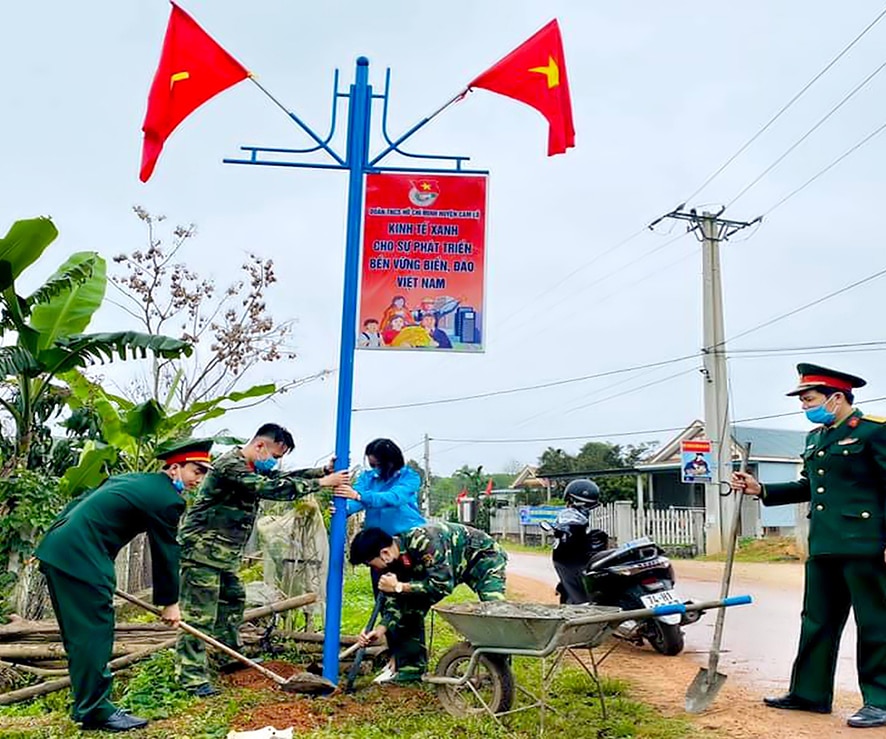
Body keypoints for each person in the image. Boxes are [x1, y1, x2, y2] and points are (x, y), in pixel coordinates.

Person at [731, 363, 886, 730]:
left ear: (836, 397)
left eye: (809, 399)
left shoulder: (874, 432)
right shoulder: (815, 439)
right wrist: (762, 489)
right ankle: (810, 693)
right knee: (816, 621)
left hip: (866, 546)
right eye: (802, 400)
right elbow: (810, 487)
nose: (804, 406)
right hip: (825, 546)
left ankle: (880, 700)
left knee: (875, 623)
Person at [35, 438, 213, 732]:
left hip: (59, 550)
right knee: (94, 635)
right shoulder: (168, 499)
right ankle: (96, 711)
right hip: (81, 558)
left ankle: (87, 706)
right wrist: (170, 603)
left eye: (204, 473)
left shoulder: (136, 480)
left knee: (80, 638)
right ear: (174, 468)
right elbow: (166, 550)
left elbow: (82, 502)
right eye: (196, 471)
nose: (199, 479)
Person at [175, 424, 348, 696]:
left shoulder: (252, 466)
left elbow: (283, 477)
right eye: (275, 456)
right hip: (202, 551)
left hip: (224, 553)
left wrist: (321, 472)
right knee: (199, 615)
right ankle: (191, 678)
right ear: (259, 446)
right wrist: (321, 484)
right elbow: (271, 488)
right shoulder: (230, 465)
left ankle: (227, 656)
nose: (276, 462)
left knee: (232, 601)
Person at [349, 522, 508, 684]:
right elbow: (396, 602)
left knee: (494, 611)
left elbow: (442, 585)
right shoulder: (394, 561)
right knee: (409, 610)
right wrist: (380, 630)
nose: (373, 568)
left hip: (482, 556)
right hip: (450, 566)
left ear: (384, 553)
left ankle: (499, 672)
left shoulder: (424, 541)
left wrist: (398, 586)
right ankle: (411, 671)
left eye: (370, 563)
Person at [334, 438, 425, 683]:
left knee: (408, 604)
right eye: (371, 464)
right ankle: (393, 659)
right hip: (377, 549)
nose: (374, 468)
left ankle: (410, 663)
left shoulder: (410, 478)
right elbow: (355, 500)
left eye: (378, 464)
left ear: (391, 462)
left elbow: (393, 498)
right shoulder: (369, 478)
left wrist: (359, 495)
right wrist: (342, 507)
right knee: (384, 603)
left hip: (405, 547)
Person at [551, 479, 609, 604]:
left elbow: (568, 530)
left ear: (570, 498)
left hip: (578, 559)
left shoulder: (569, 514)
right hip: (595, 555)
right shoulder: (591, 514)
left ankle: (582, 603)